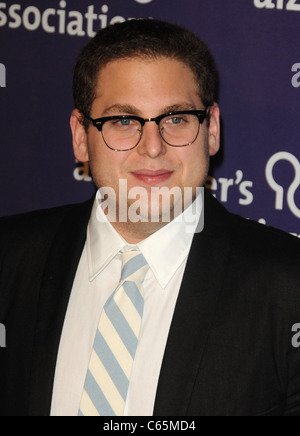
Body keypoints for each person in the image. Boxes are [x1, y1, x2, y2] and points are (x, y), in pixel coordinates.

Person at [0, 18, 300, 417]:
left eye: (175, 118)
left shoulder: (287, 287)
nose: (153, 147)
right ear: (80, 137)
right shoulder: (9, 259)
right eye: (124, 121)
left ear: (211, 129)